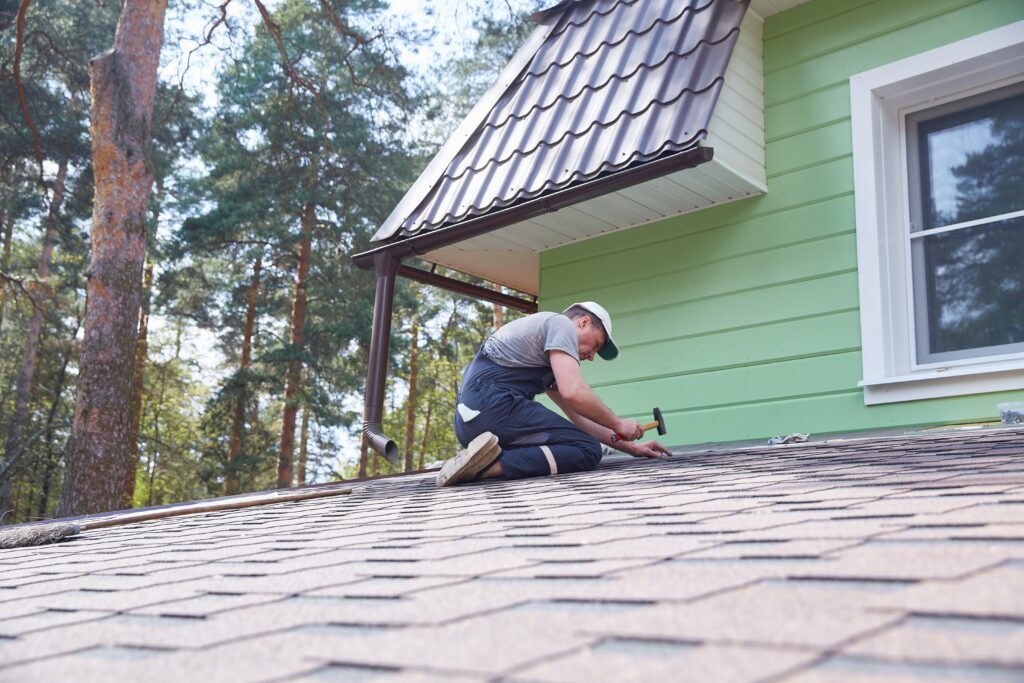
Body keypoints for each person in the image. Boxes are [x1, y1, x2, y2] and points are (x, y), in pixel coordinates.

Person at [437, 301, 671, 486]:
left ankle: (475, 460)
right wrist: (619, 423)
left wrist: (631, 448)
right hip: (493, 406)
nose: (591, 356)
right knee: (586, 450)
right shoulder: (560, 324)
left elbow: (579, 417)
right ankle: (488, 467)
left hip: (470, 424)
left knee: (581, 444)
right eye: (596, 345)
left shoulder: (548, 361)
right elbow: (575, 393)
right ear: (583, 322)